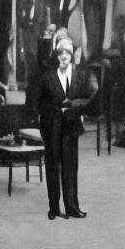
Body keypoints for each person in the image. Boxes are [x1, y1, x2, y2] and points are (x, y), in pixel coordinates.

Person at [31, 42, 99, 220]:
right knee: (53, 165)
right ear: (57, 56)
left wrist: (75, 106)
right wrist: (51, 112)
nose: (63, 56)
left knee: (70, 166)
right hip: (52, 126)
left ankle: (72, 207)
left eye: (67, 53)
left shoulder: (80, 76)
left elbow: (90, 97)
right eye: (60, 53)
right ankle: (54, 208)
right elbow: (38, 102)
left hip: (70, 126)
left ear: (72, 56)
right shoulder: (47, 77)